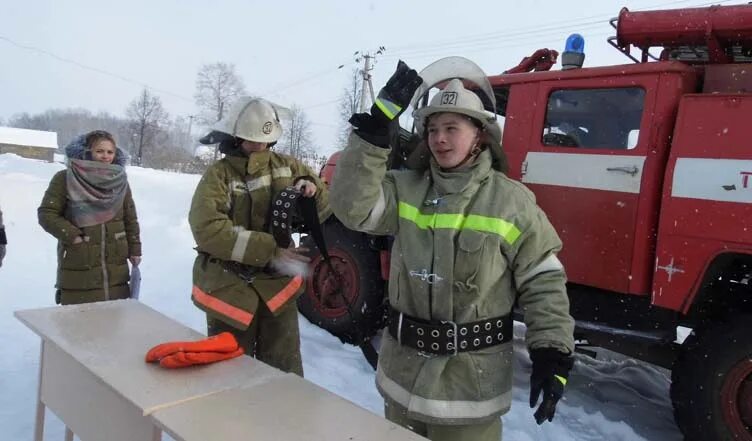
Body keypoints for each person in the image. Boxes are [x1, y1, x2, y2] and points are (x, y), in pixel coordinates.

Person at [330, 60, 575, 441]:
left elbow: (543, 279)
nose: (439, 139)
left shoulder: (512, 202)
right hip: (401, 384)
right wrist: (373, 137)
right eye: (432, 129)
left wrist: (553, 351)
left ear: (480, 135)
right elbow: (352, 208)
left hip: (468, 395)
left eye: (451, 128)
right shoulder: (405, 188)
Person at [189, 97, 330, 376]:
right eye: (251, 139)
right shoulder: (219, 175)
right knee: (228, 375)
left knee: (282, 374)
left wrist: (310, 192)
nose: (258, 146)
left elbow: (325, 206)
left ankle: (280, 421)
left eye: (263, 140)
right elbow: (207, 228)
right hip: (230, 291)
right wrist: (269, 250)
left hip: (278, 289)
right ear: (236, 135)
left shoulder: (288, 166)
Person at [38, 130, 141, 305]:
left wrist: (135, 248)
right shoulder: (66, 178)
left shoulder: (120, 180)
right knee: (79, 325)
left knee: (114, 323)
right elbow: (47, 213)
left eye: (110, 152)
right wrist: (74, 236)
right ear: (87, 152)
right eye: (99, 151)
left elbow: (130, 218)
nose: (105, 156)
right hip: (80, 260)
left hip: (115, 263)